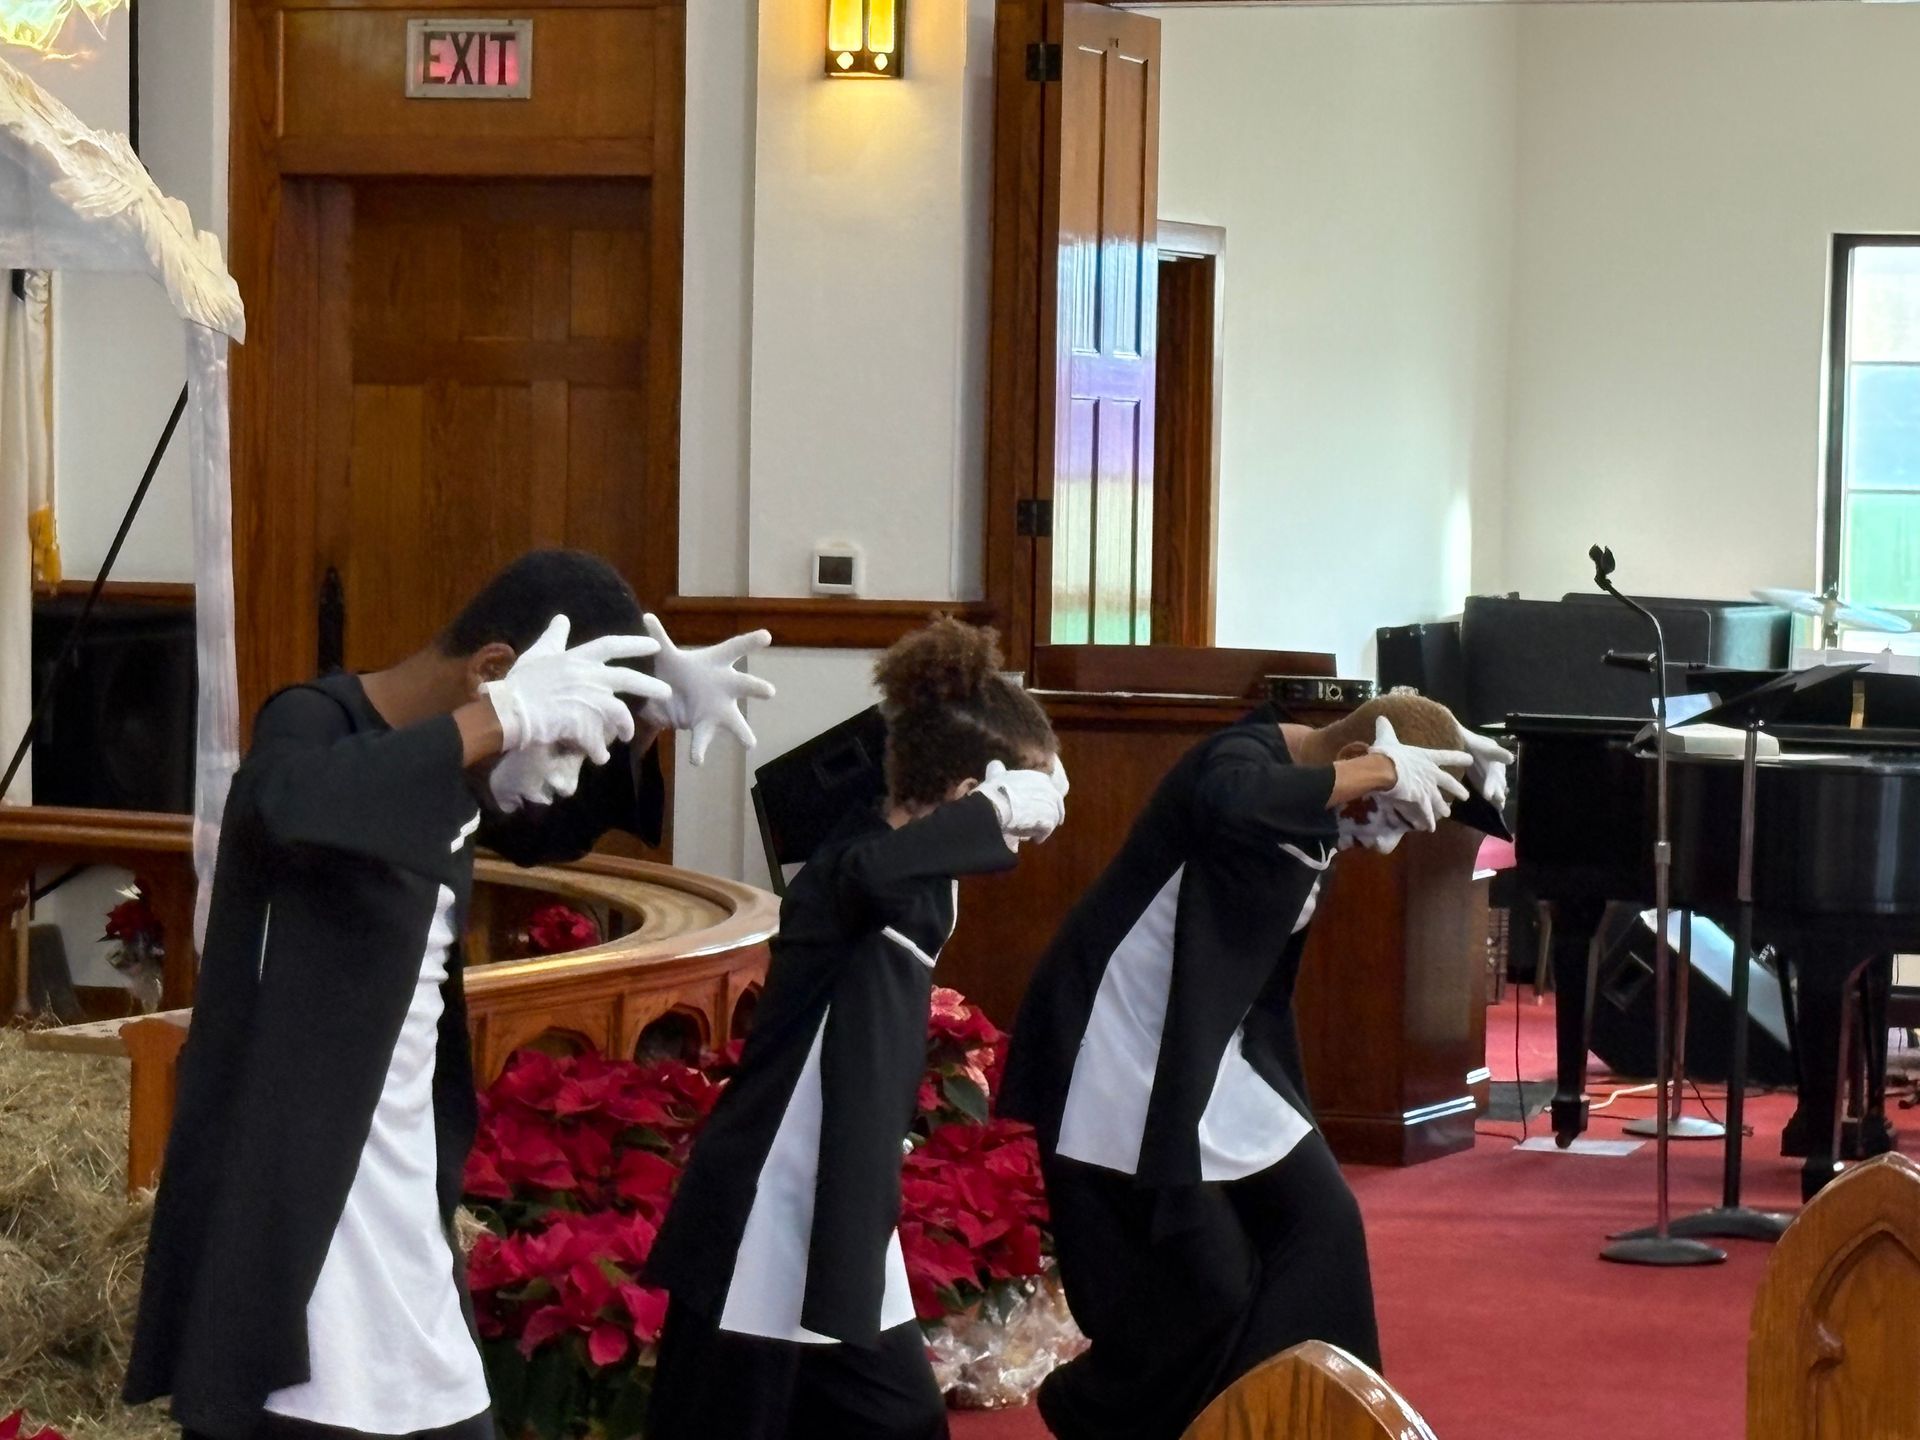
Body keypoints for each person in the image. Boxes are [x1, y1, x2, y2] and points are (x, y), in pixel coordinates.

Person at [125, 549, 775, 1440]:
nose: (565, 771)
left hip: (406, 1227)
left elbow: (549, 828)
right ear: (494, 672)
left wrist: (645, 718)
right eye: (559, 738)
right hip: (308, 1237)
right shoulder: (316, 723)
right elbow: (286, 803)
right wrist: (500, 721)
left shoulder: (458, 769)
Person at [998, 691, 1510, 1440]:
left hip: (1211, 1048)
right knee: (1207, 1283)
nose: (1385, 842)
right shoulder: (1242, 758)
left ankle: (1310, 1425)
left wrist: (1463, 752)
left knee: (1323, 1225)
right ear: (1354, 760)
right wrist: (1373, 773)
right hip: (1118, 1047)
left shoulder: (1322, 804)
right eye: (1391, 814)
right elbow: (1230, 799)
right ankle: (1093, 1413)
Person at [645, 617, 1067, 1440]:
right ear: (965, 797)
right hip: (771, 1203)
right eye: (1015, 810)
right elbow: (877, 872)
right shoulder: (856, 869)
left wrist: (1029, 761)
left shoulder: (910, 860)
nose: (1024, 834)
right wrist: (995, 806)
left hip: (835, 1201)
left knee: (898, 1420)